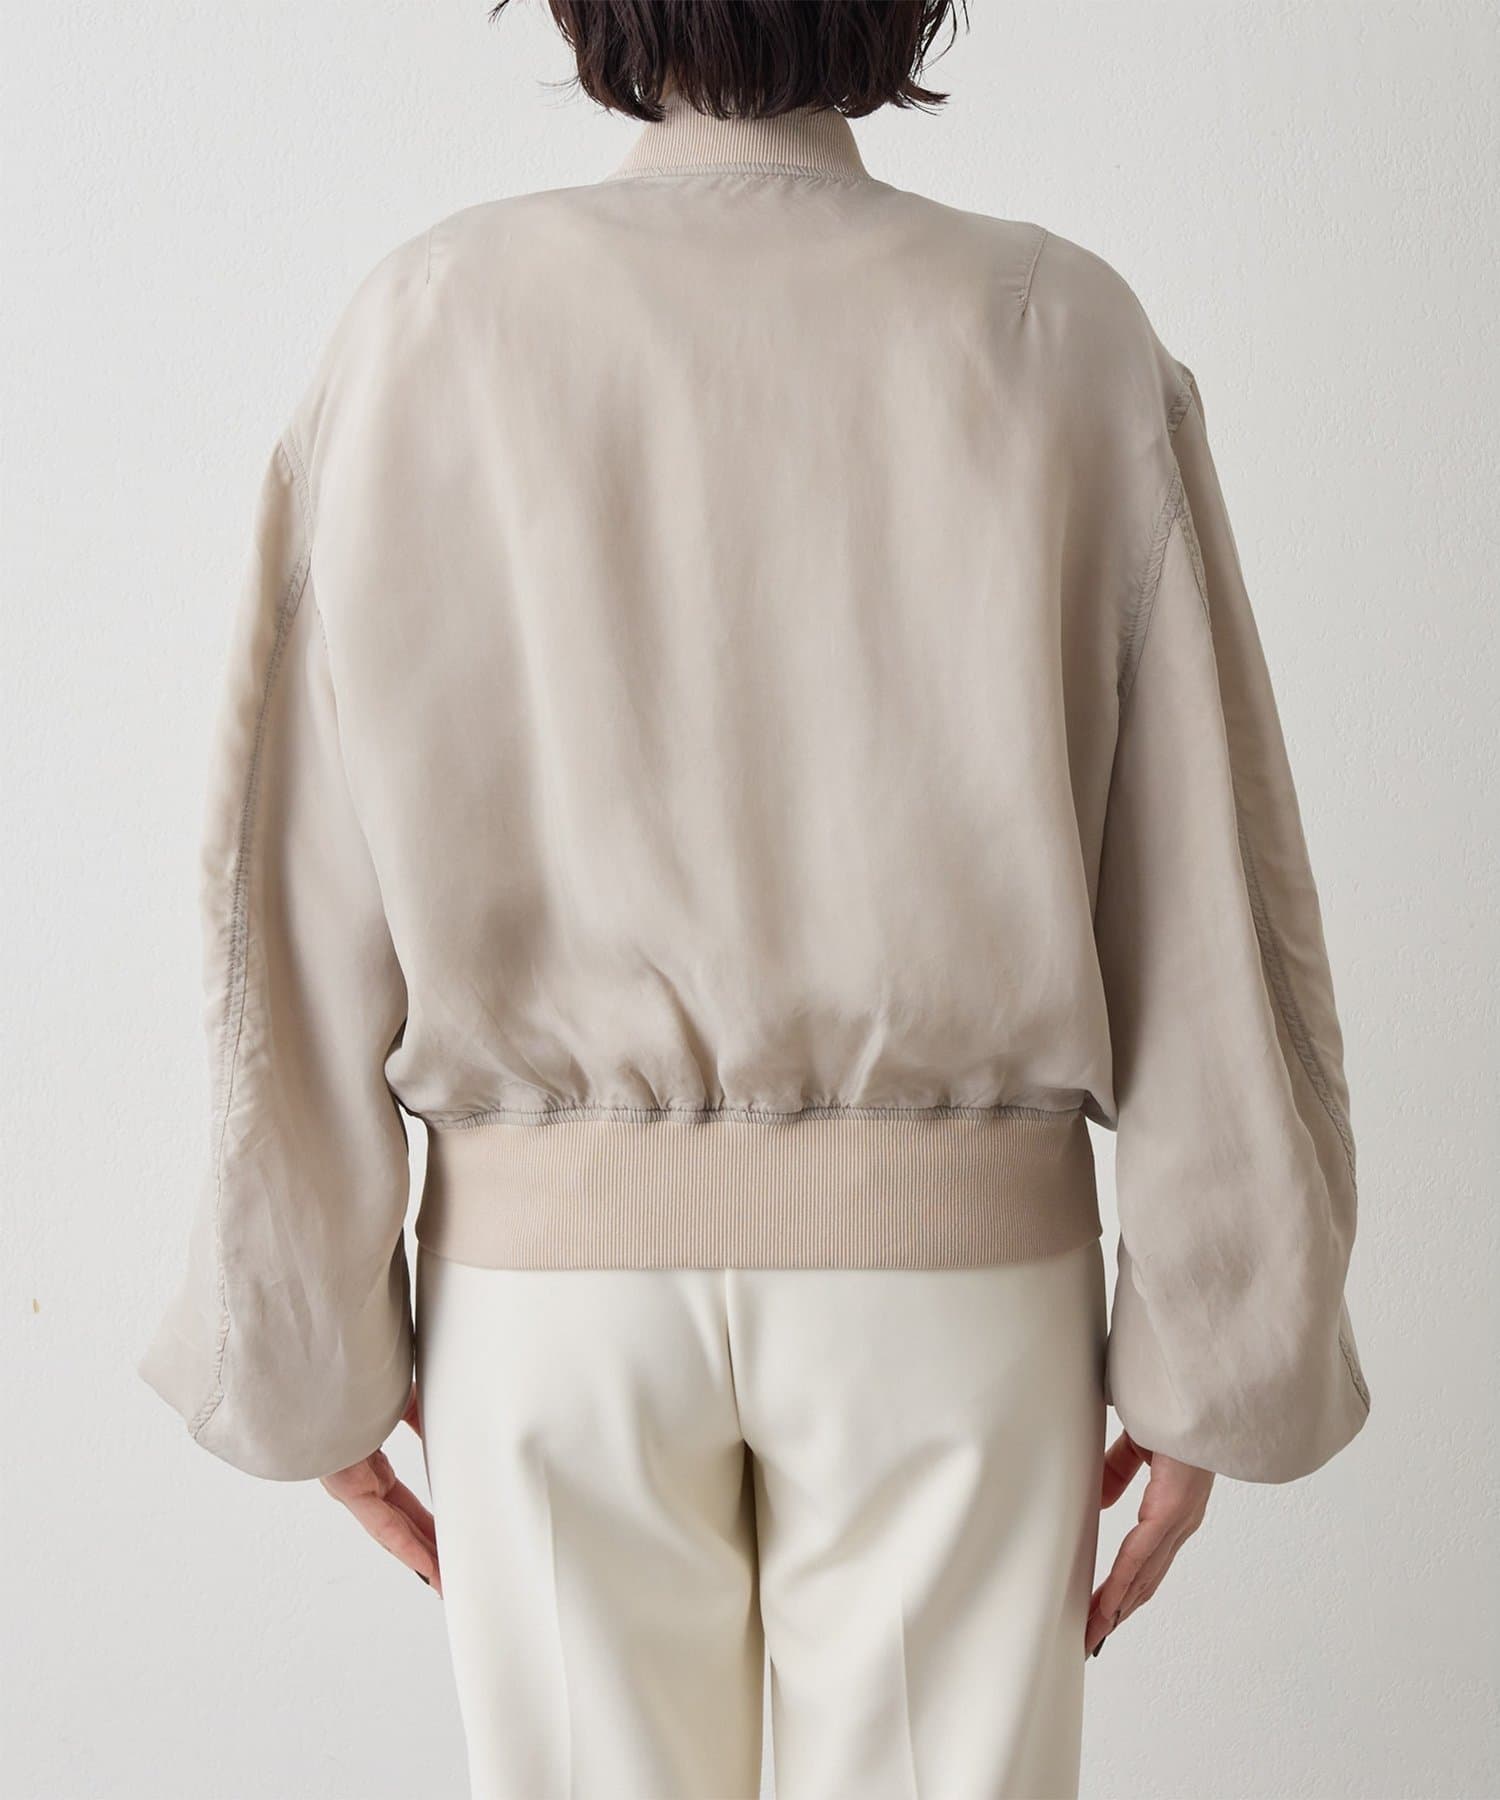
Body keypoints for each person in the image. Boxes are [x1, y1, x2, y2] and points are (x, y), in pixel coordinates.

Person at [139, 3, 1371, 1795]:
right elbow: (1199, 886)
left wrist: (306, 1327)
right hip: (953, 1284)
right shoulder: (1060, 329)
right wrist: (1220, 1338)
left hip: (548, 1297)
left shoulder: (427, 324)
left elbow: (293, 894)